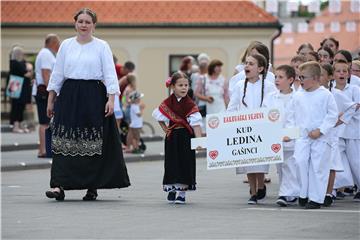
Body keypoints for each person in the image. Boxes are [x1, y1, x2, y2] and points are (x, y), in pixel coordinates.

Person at [45, 8, 130, 201]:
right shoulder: (66, 45)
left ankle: (92, 186)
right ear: (75, 23)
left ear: (94, 25)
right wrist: (51, 99)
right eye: (80, 21)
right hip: (69, 95)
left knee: (92, 141)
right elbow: (57, 73)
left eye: (87, 22)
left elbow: (110, 74)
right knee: (63, 140)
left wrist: (111, 100)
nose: (83, 25)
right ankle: (58, 185)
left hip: (94, 95)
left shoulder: (101, 46)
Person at [286, 61, 338, 209]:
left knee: (318, 167)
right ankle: (303, 193)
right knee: (300, 162)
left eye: (303, 77)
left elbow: (332, 115)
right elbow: (291, 116)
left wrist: (321, 130)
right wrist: (290, 132)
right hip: (303, 137)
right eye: (299, 77)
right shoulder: (298, 96)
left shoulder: (325, 95)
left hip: (320, 138)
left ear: (315, 78)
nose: (300, 80)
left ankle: (316, 198)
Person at [227, 53, 276, 204]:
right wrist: (229, 122)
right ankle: (253, 192)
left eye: (251, 64)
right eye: (246, 63)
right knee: (248, 161)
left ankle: (260, 186)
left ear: (260, 68)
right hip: (244, 129)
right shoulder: (240, 85)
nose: (246, 66)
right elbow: (232, 106)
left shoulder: (268, 86)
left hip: (261, 129)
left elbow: (272, 106)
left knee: (259, 161)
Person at [152, 72, 202, 204]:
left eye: (186, 85)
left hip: (186, 138)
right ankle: (172, 188)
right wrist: (165, 128)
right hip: (172, 137)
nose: (184, 88)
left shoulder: (190, 104)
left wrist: (199, 141)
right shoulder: (168, 102)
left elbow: (196, 125)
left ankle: (182, 193)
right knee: (172, 163)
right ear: (173, 86)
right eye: (180, 85)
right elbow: (158, 116)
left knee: (185, 163)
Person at [319, 63, 356, 206]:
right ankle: (319, 191)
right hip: (318, 134)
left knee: (331, 165)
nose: (319, 77)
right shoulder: (313, 92)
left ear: (329, 77)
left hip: (331, 135)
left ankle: (329, 192)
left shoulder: (336, 93)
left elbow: (351, 107)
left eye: (322, 75)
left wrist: (338, 122)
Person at [264, 65, 299, 207]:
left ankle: (285, 194)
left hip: (293, 139)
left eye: (280, 77)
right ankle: (291, 194)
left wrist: (290, 134)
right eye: (275, 77)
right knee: (281, 168)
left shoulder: (298, 97)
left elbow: (298, 119)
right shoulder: (271, 98)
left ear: (290, 79)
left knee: (290, 166)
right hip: (276, 139)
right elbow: (265, 115)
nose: (277, 80)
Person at [332, 60, 360, 202]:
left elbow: (357, 107)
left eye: (345, 71)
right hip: (336, 131)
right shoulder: (330, 91)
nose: (342, 73)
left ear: (349, 74)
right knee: (337, 160)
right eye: (338, 71)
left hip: (353, 131)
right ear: (333, 74)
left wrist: (343, 116)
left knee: (356, 161)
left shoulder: (354, 89)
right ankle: (334, 189)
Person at [34, 34, 60, 158]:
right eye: (58, 43)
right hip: (44, 91)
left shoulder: (47, 54)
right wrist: (52, 92)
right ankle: (43, 149)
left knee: (46, 121)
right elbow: (46, 74)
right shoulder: (46, 54)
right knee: (44, 122)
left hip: (43, 91)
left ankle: (45, 148)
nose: (59, 46)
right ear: (53, 43)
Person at [9, 46, 33, 133]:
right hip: (16, 87)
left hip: (20, 88)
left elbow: (28, 70)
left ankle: (19, 125)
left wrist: (28, 69)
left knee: (21, 107)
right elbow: (26, 72)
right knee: (16, 107)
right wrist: (28, 69)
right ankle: (15, 126)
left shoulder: (20, 62)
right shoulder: (14, 62)